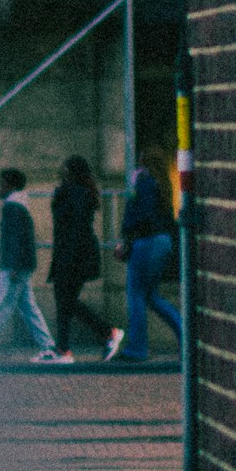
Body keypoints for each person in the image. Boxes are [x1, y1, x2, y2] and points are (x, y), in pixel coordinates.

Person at [0, 168, 59, 364]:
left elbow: (15, 239)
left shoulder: (12, 207)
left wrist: (15, 266)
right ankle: (48, 347)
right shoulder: (19, 206)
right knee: (28, 308)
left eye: (1, 183)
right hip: (20, 265)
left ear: (10, 185)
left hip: (13, 266)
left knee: (2, 306)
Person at [108, 150, 183, 364]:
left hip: (146, 242)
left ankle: (137, 348)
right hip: (161, 241)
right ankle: (186, 338)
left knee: (136, 295)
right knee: (151, 296)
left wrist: (127, 239)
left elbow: (139, 215)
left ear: (144, 161)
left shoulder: (143, 181)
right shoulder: (162, 183)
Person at [47, 155, 111, 361]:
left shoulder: (71, 193)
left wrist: (66, 258)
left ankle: (104, 334)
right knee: (66, 302)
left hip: (72, 254)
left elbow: (72, 228)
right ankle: (65, 348)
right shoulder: (83, 192)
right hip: (76, 253)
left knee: (65, 301)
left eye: (65, 169)